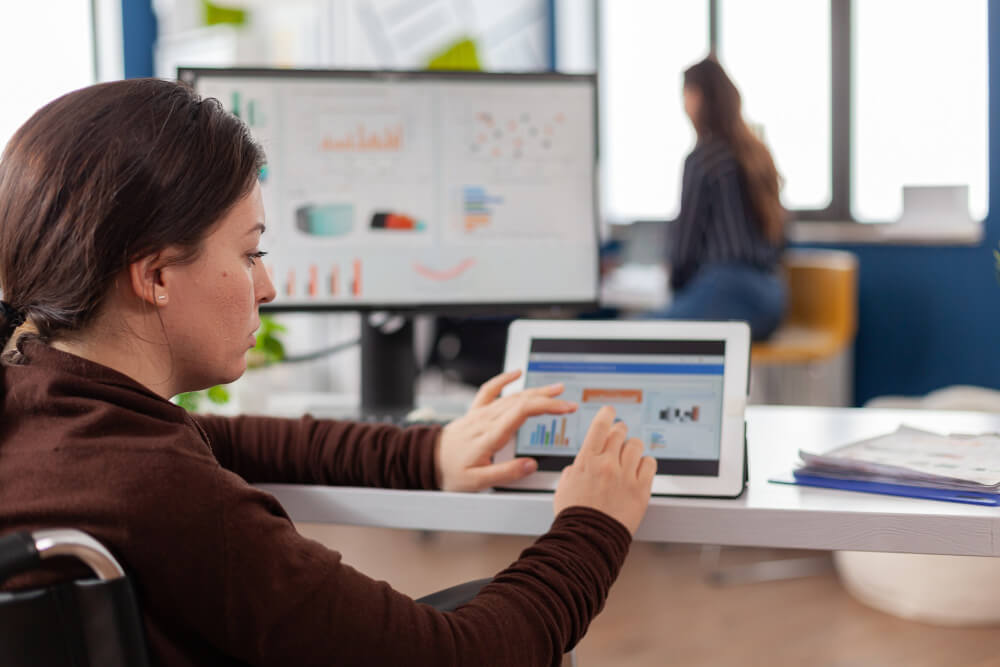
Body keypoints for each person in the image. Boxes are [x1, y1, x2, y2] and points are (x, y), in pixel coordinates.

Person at [0, 79, 656, 666]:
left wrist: (430, 451)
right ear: (156, 275)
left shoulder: (42, 408)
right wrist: (591, 523)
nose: (269, 284)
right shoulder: (171, 498)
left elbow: (223, 440)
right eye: (250, 252)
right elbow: (470, 655)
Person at [656, 56, 787, 341]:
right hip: (772, 298)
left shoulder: (703, 158)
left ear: (697, 97)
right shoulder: (757, 154)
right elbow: (783, 235)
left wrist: (676, 291)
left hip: (726, 289)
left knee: (636, 333)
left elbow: (684, 251)